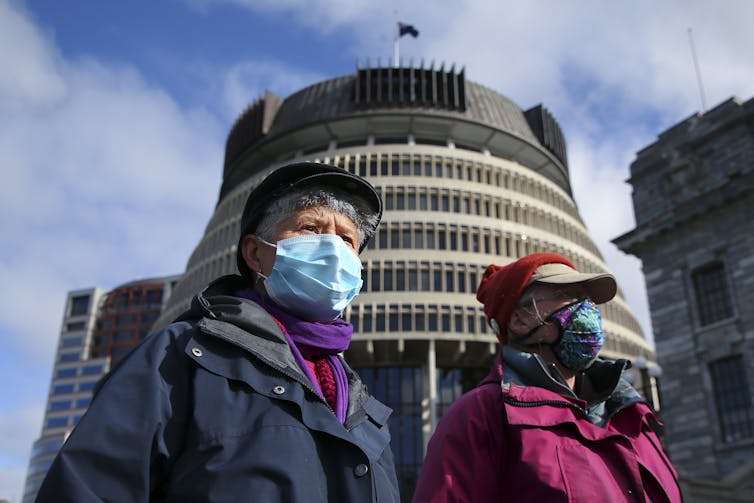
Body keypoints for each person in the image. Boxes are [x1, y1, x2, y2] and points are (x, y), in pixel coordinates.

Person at [37, 162, 400, 502]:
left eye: (347, 239)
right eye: (310, 228)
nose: (333, 250)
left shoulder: (365, 409)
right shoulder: (178, 356)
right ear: (255, 254)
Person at [413, 252, 681, 502]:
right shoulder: (481, 417)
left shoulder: (632, 415)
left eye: (586, 299)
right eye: (567, 295)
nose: (586, 310)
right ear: (519, 321)